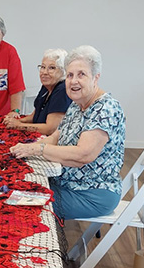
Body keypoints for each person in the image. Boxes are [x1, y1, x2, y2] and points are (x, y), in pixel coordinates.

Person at [8, 45, 125, 220]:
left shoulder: (105, 108)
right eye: (70, 75)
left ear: (96, 77)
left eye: (81, 74)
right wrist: (27, 147)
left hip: (91, 193)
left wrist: (38, 150)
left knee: (20, 205)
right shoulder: (77, 105)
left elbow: (82, 155)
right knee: (14, 188)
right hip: (65, 183)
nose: (74, 81)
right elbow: (56, 137)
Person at [4, 48, 70, 136]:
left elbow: (50, 129)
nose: (45, 72)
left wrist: (19, 125)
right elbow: (35, 116)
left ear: (63, 71)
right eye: (43, 67)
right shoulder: (47, 86)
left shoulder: (62, 90)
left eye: (52, 68)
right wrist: (16, 121)